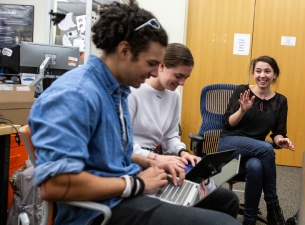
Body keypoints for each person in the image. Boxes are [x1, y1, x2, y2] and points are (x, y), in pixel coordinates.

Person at [28, 1, 240, 224]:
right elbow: (55, 185)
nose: (152, 71)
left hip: (126, 189)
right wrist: (138, 183)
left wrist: (154, 163)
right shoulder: (76, 94)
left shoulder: (116, 90)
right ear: (124, 51)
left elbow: (114, 154)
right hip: (101, 209)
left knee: (226, 201)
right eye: (151, 63)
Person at [128, 42, 236, 203]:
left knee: (227, 199)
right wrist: (156, 158)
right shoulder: (132, 92)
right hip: (134, 160)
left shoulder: (174, 96)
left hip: (158, 158)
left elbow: (170, 137)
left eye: (186, 78)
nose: (182, 83)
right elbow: (123, 145)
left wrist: (183, 154)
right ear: (162, 66)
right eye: (178, 76)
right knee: (191, 198)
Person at [217, 55, 295, 225]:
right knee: (266, 149)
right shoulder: (242, 91)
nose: (262, 75)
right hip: (230, 143)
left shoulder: (280, 101)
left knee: (255, 167)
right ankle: (273, 203)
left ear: (275, 75)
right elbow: (228, 124)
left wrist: (281, 140)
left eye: (267, 71)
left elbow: (278, 132)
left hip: (255, 152)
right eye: (258, 71)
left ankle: (249, 219)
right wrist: (242, 111)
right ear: (253, 73)